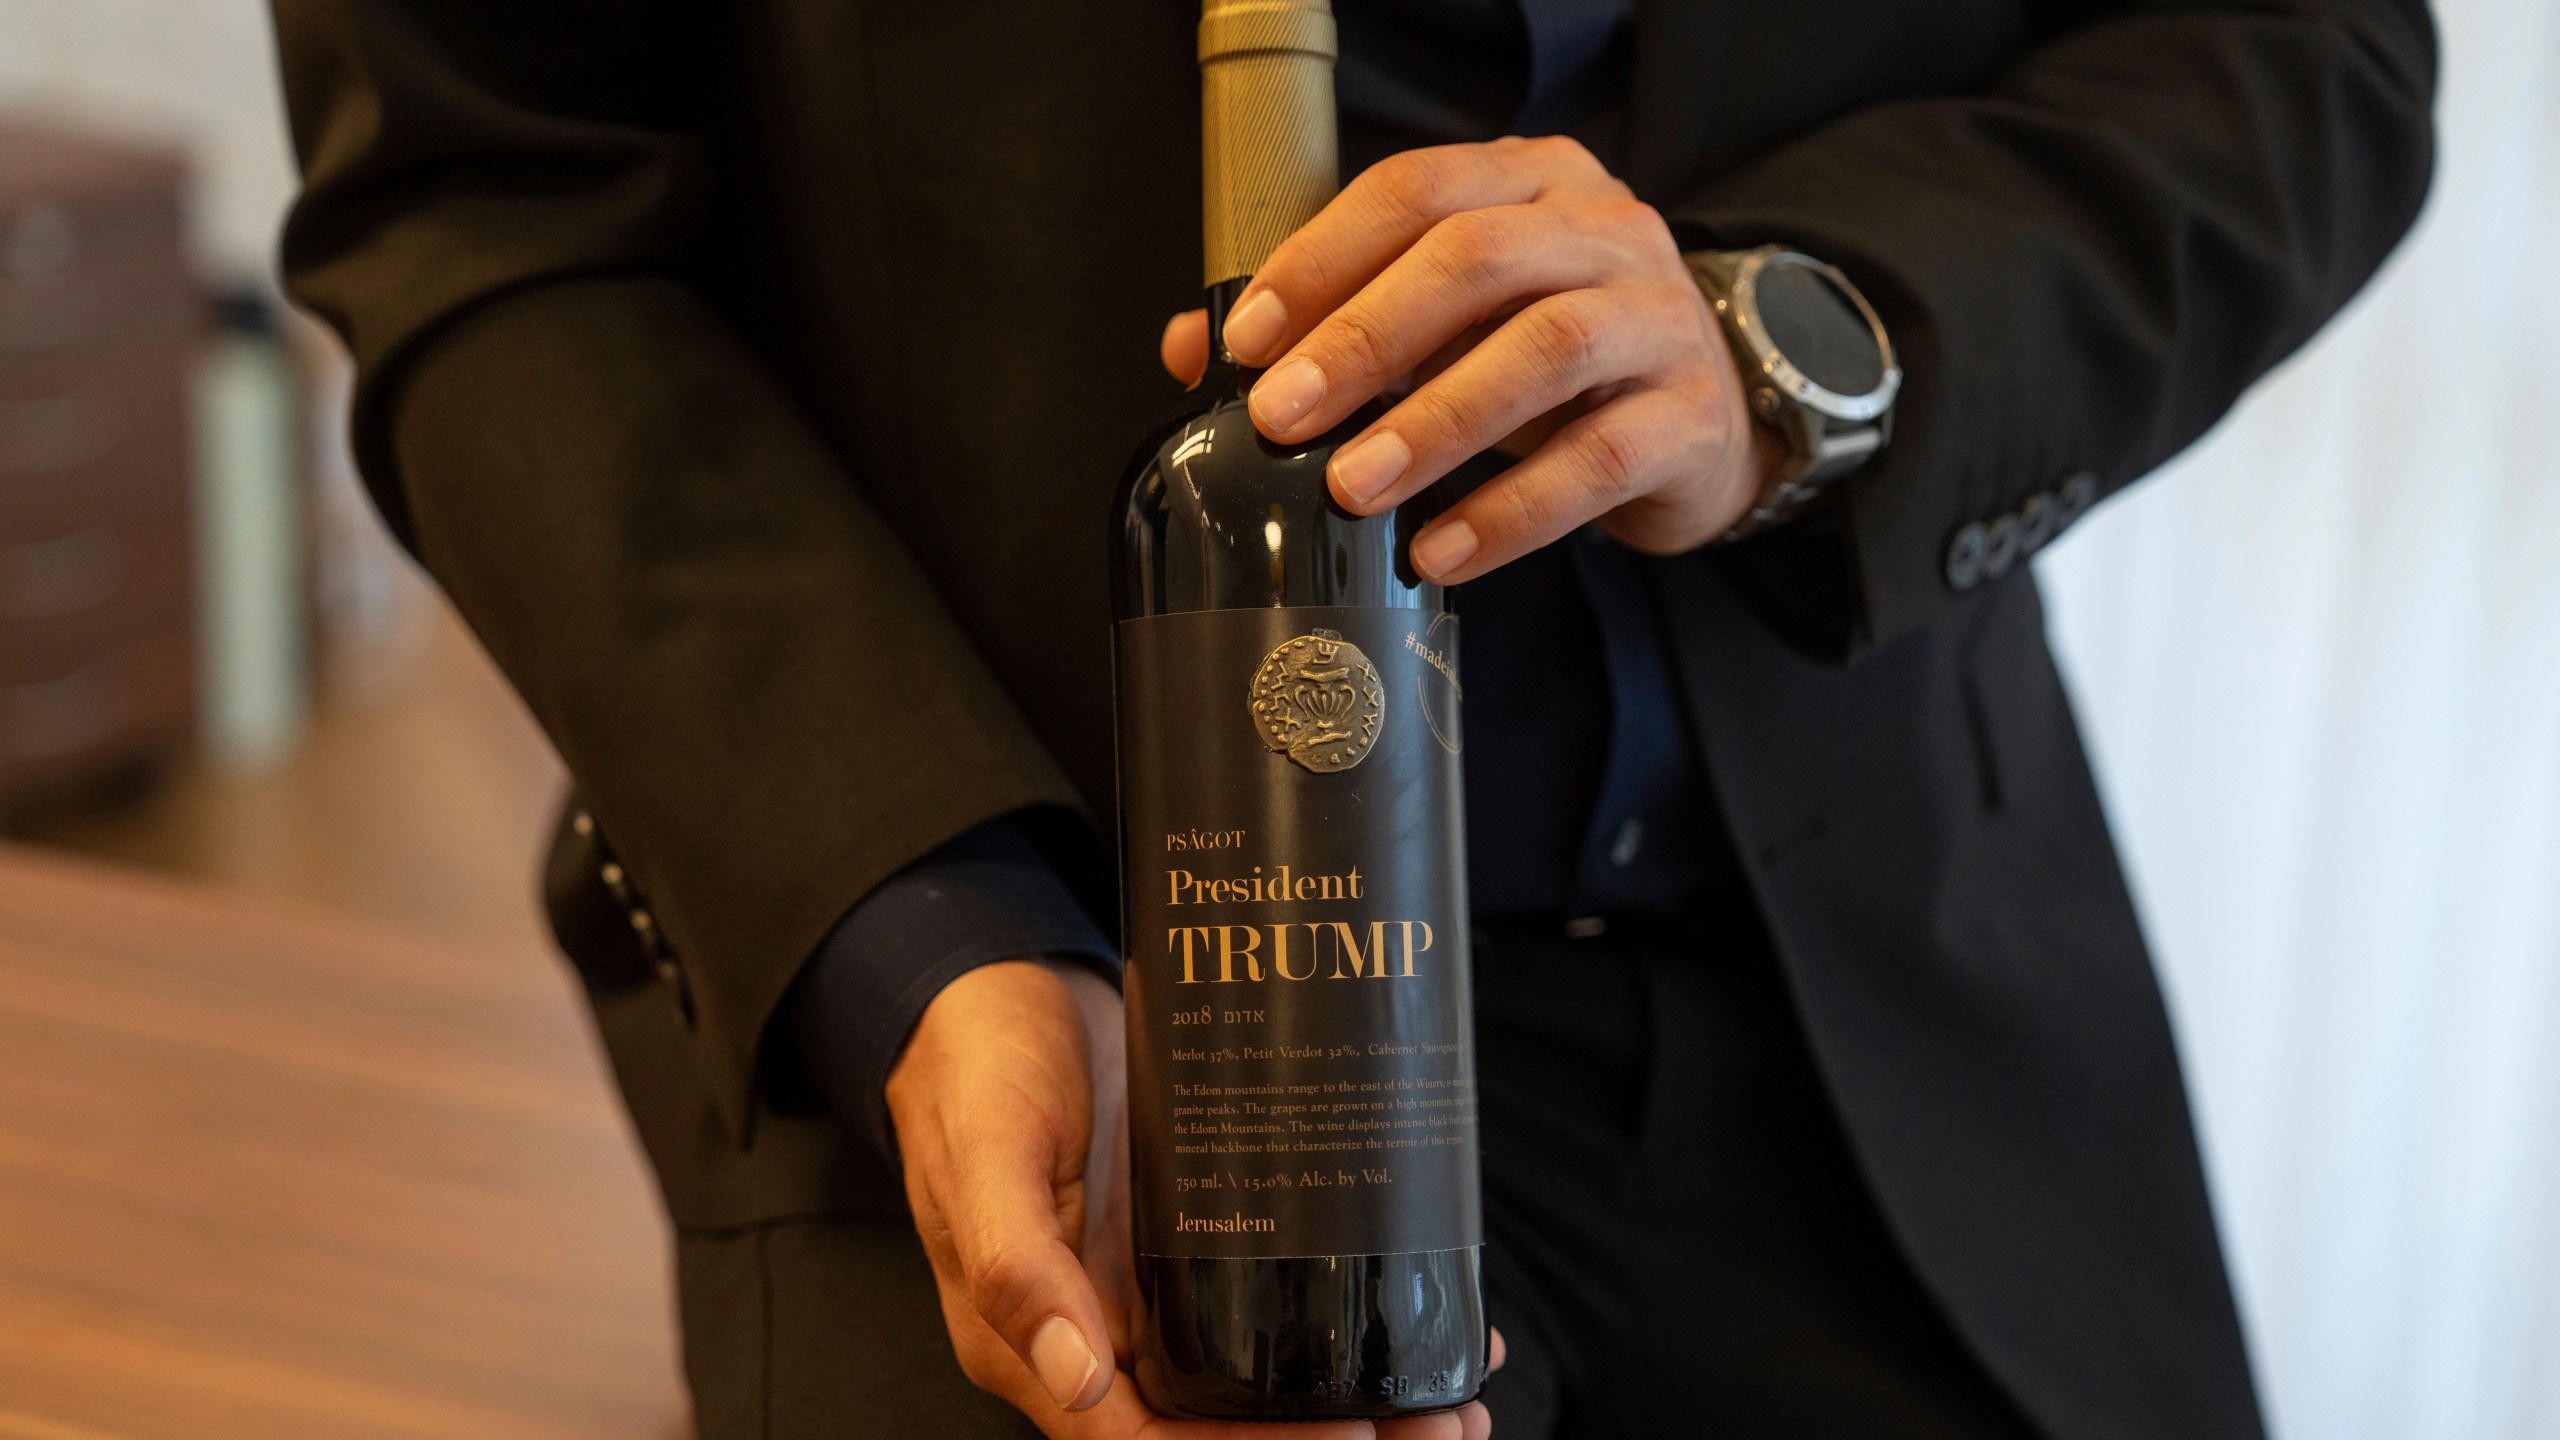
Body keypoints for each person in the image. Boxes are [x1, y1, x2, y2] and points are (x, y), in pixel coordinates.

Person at [268, 0, 2435, 1436]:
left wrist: (1800, 334)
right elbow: (484, 214)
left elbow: (2301, 47)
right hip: (1043, 1008)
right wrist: (920, 937)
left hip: (1867, 985)